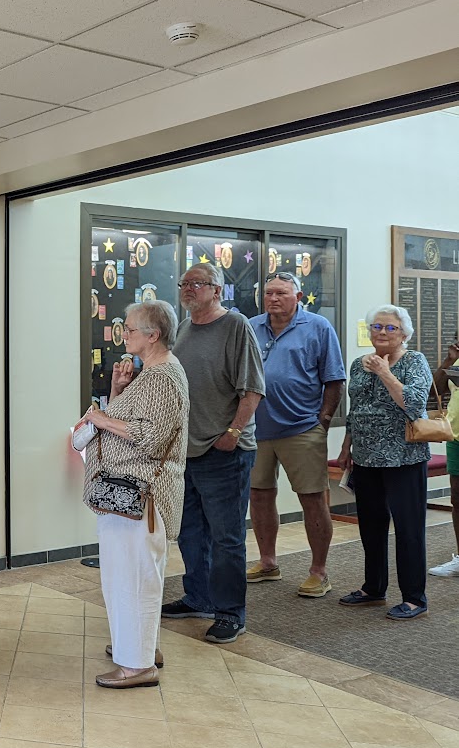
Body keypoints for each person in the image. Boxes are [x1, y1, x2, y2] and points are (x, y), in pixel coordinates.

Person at [77, 300, 188, 689]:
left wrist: (101, 418)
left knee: (132, 580)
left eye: (130, 329)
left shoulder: (162, 376)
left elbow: (149, 437)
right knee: (132, 578)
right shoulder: (151, 374)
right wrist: (117, 392)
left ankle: (137, 667)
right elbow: (138, 419)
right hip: (130, 496)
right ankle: (141, 649)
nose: (124, 335)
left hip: (140, 497)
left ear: (152, 335)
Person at [162, 263, 264, 645]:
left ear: (217, 290)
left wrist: (233, 433)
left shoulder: (236, 327)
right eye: (184, 283)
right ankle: (199, 598)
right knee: (190, 533)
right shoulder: (183, 330)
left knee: (226, 538)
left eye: (196, 283)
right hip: (185, 452)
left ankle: (229, 613)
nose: (188, 289)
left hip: (224, 451)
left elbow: (252, 389)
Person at [246, 273, 346, 597]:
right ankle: (268, 562)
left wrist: (323, 422)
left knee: (312, 500)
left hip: (302, 429)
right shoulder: (251, 327)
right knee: (259, 496)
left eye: (282, 293)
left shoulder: (318, 327)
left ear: (298, 296)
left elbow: (334, 380)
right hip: (256, 430)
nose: (273, 298)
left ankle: (319, 571)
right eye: (269, 292)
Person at [336, 306, 432, 619]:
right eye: (376, 326)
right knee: (371, 527)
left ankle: (414, 598)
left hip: (404, 457)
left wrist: (385, 372)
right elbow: (356, 409)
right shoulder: (358, 364)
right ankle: (373, 588)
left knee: (408, 529)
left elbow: (414, 403)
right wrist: (347, 446)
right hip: (365, 458)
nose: (381, 332)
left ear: (404, 333)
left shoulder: (414, 361)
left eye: (390, 328)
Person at [430, 334, 459, 577]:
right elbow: (433, 391)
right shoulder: (455, 363)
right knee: (457, 500)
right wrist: (449, 362)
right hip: (457, 439)